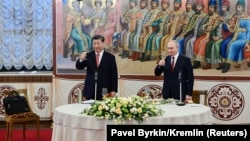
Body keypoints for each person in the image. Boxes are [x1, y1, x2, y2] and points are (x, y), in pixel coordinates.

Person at [76, 35, 118, 100]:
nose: (96, 46)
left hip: (105, 89)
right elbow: (79, 67)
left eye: (98, 43)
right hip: (90, 88)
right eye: (94, 44)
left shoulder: (110, 58)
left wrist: (114, 89)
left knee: (103, 108)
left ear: (103, 43)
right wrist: (81, 59)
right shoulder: (88, 55)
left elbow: (114, 75)